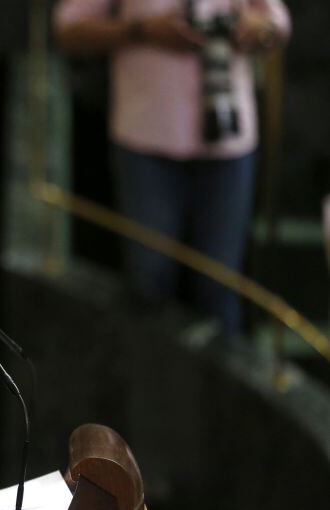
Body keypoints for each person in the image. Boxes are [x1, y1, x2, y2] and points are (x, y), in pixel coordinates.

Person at [53, 0, 291, 336]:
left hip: (228, 141)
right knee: (149, 283)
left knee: (220, 288)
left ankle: (218, 387)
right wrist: (143, 31)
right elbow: (67, 30)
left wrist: (256, 29)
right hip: (144, 139)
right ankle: (150, 384)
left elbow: (276, 24)